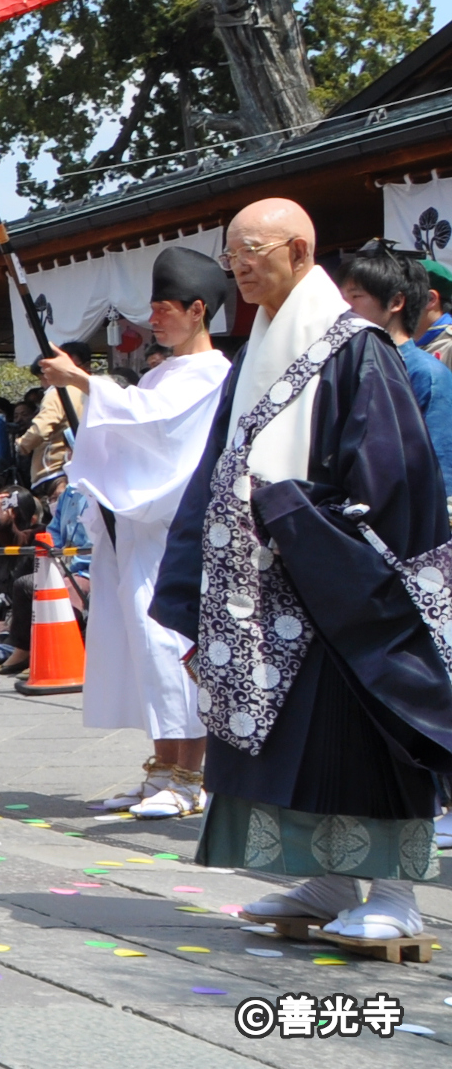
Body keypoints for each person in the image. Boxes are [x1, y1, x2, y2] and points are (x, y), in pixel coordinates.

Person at [153, 199, 452, 942]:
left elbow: (394, 479)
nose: (239, 267)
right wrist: (192, 574)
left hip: (342, 578)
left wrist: (299, 520)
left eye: (251, 251)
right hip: (268, 581)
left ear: (298, 250)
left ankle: (395, 893)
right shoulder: (259, 348)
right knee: (297, 741)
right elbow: (220, 468)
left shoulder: (357, 348)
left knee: (366, 734)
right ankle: (327, 880)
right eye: (231, 255)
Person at [37, 244, 232, 822]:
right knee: (142, 647)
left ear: (197, 310)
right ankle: (161, 769)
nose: (154, 318)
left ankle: (191, 776)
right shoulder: (161, 373)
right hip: (136, 528)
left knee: (170, 645)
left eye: (164, 308)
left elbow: (157, 426)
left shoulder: (214, 372)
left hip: (175, 530)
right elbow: (130, 428)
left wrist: (83, 381)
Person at [344, 242, 452, 474]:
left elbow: (440, 469)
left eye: (356, 296)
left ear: (395, 302)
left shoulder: (427, 373)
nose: (345, 307)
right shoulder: (345, 364)